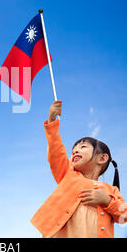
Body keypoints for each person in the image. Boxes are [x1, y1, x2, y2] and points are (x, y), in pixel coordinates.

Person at [31, 100, 127, 238]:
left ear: (102, 158)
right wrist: (52, 121)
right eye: (73, 149)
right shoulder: (68, 175)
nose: (75, 151)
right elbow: (56, 153)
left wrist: (107, 201)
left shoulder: (111, 191)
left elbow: (124, 216)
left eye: (82, 147)